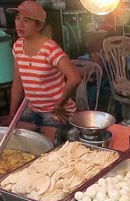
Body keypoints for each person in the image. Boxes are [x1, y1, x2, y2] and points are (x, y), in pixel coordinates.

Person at [5, 0, 80, 143]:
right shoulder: (18, 46)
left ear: (39, 25)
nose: (19, 24)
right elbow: (17, 82)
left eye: (26, 20)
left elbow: (75, 78)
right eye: (17, 18)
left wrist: (59, 104)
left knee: (45, 145)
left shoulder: (50, 49)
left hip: (56, 112)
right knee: (16, 143)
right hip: (32, 109)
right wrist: (12, 114)